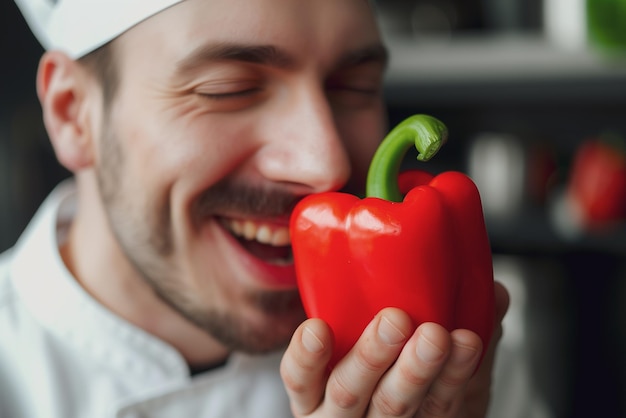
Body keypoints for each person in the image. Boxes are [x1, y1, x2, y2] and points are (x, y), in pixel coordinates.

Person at [0, 0, 526, 417]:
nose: (325, 162)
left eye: (355, 87)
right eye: (230, 89)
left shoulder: (439, 351)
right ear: (73, 115)